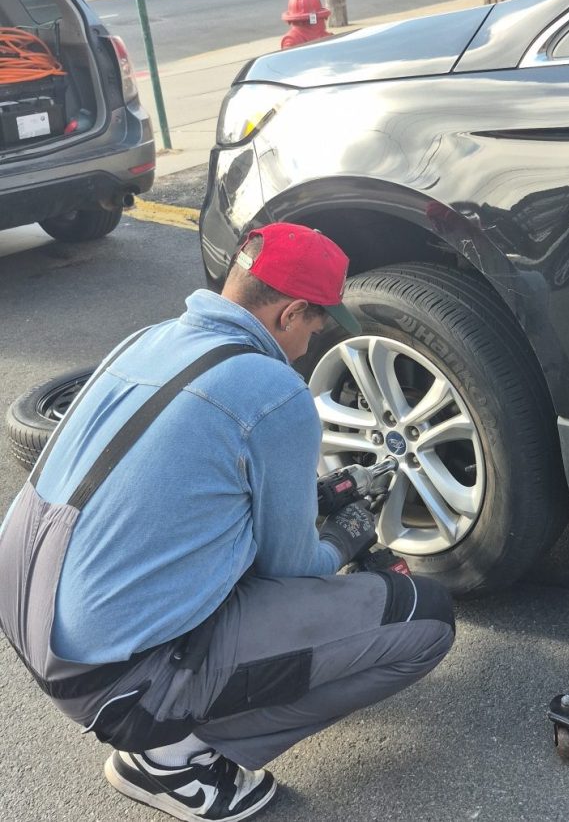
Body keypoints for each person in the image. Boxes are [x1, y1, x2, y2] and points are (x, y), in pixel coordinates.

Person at [0, 222, 454, 822]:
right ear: (292, 312)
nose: (312, 342)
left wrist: (310, 502)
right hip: (122, 683)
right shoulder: (274, 391)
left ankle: (170, 721)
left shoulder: (149, 339)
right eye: (316, 326)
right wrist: (342, 538)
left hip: (32, 628)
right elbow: (290, 567)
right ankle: (174, 758)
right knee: (425, 617)